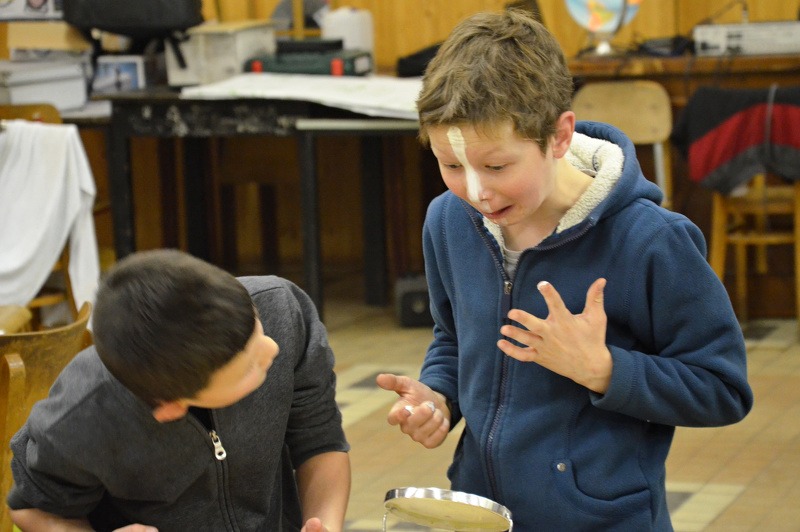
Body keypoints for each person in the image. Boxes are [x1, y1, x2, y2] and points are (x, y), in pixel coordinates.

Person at [376, 9, 753, 531]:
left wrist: (604, 370)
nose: (477, 191)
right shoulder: (448, 219)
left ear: (559, 136)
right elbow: (455, 338)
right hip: (481, 515)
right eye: (452, 165)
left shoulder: (650, 240)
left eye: (497, 166)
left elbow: (722, 388)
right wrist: (439, 396)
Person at [8, 249, 350, 532]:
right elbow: (33, 507)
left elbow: (321, 442)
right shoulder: (84, 411)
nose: (271, 348)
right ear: (170, 407)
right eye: (248, 368)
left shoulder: (282, 309)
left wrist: (324, 525)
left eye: (257, 325)